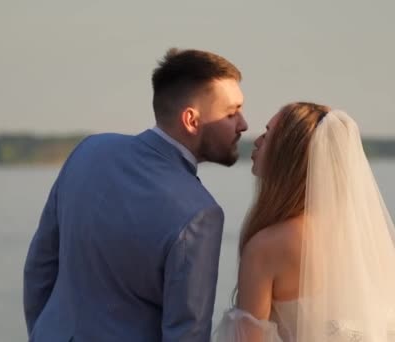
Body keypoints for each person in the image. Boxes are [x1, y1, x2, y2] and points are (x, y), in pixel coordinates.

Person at [23, 48, 248, 341]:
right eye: (231, 113)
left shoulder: (88, 151)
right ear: (191, 121)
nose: (243, 124)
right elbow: (187, 333)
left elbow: (39, 268)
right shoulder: (199, 213)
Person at [214, 102, 395, 341]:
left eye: (267, 134)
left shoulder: (266, 246)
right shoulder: (363, 237)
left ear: (288, 152)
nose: (256, 140)